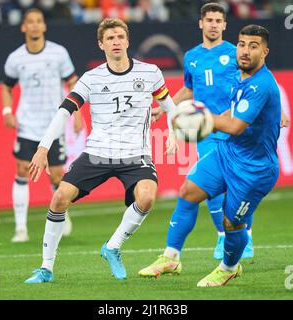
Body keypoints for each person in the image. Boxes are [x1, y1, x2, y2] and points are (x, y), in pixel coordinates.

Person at [24, 18, 179, 284]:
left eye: (120, 37)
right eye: (110, 38)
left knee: (147, 196)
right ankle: (46, 269)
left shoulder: (150, 72)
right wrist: (42, 148)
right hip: (98, 152)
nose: (116, 42)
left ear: (128, 41)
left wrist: (174, 134)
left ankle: (113, 246)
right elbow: (64, 111)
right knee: (59, 198)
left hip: (135, 154)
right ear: (101, 44)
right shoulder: (91, 79)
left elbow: (171, 108)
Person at [139, 24, 281, 287]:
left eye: (253, 46)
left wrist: (203, 118)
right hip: (228, 153)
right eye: (241, 44)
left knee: (232, 222)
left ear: (265, 52)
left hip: (254, 169)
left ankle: (229, 267)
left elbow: (236, 126)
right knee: (188, 192)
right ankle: (171, 257)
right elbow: (232, 114)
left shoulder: (261, 84)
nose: (245, 51)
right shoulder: (242, 76)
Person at [2, 8, 82, 243]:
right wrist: (7, 110)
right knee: (22, 171)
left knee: (56, 176)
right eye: (30, 22)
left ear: (44, 26)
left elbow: (73, 82)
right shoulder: (15, 58)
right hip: (27, 124)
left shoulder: (58, 53)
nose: (35, 26)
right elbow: (6, 86)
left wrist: (77, 114)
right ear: (23, 27)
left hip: (53, 124)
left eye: (39, 22)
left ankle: (61, 213)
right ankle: (20, 229)